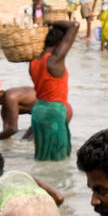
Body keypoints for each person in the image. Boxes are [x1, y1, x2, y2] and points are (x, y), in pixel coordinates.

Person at [29, 20, 76, 161]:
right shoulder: (54, 60)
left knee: (42, 158)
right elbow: (74, 26)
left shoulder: (33, 61)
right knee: (58, 159)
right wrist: (51, 21)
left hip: (38, 111)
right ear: (61, 43)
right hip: (53, 112)